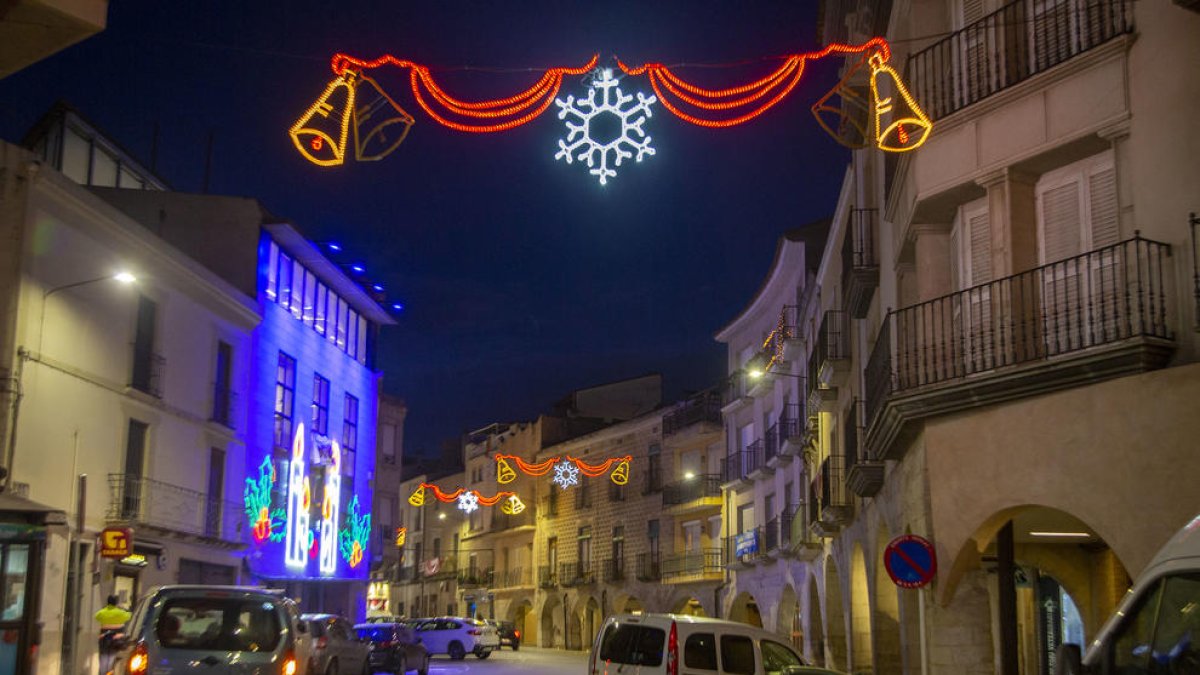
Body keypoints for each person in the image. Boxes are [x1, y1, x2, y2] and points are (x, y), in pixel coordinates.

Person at [96, 595, 131, 675]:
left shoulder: (101, 613)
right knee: (111, 661)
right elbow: (129, 616)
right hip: (115, 641)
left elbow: (98, 619)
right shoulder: (121, 613)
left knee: (103, 662)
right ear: (116, 603)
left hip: (104, 640)